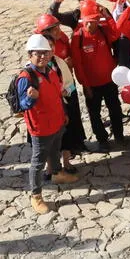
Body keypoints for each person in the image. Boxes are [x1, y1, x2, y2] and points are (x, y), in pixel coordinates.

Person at [19, 34, 79, 214]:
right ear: (30, 55)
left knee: (55, 151)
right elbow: (21, 105)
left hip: (56, 122)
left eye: (45, 53)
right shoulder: (26, 77)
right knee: (38, 163)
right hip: (40, 128)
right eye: (38, 53)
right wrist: (30, 99)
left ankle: (57, 174)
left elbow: (57, 94)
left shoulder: (51, 70)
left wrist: (64, 114)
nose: (42, 57)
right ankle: (36, 196)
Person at [71, 0, 124, 153]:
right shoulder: (77, 37)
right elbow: (78, 65)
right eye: (87, 21)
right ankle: (102, 139)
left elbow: (116, 33)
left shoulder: (103, 30)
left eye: (94, 21)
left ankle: (119, 135)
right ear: (83, 20)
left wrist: (107, 16)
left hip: (109, 80)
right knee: (94, 114)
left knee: (115, 108)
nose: (90, 25)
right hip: (92, 84)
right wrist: (85, 85)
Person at [35, 16, 86, 167]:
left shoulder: (59, 62)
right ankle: (51, 167)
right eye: (54, 29)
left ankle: (66, 161)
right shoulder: (35, 67)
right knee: (50, 137)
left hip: (64, 103)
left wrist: (66, 92)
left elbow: (70, 83)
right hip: (47, 107)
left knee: (66, 133)